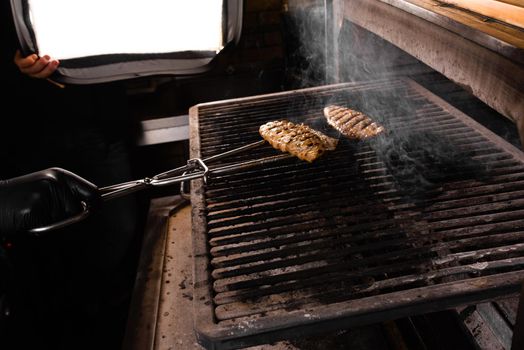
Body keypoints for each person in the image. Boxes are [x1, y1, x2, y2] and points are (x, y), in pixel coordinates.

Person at [1, 3, 142, 349]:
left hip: (103, 124)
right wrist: (12, 60)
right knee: (54, 260)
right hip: (33, 136)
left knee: (119, 236)